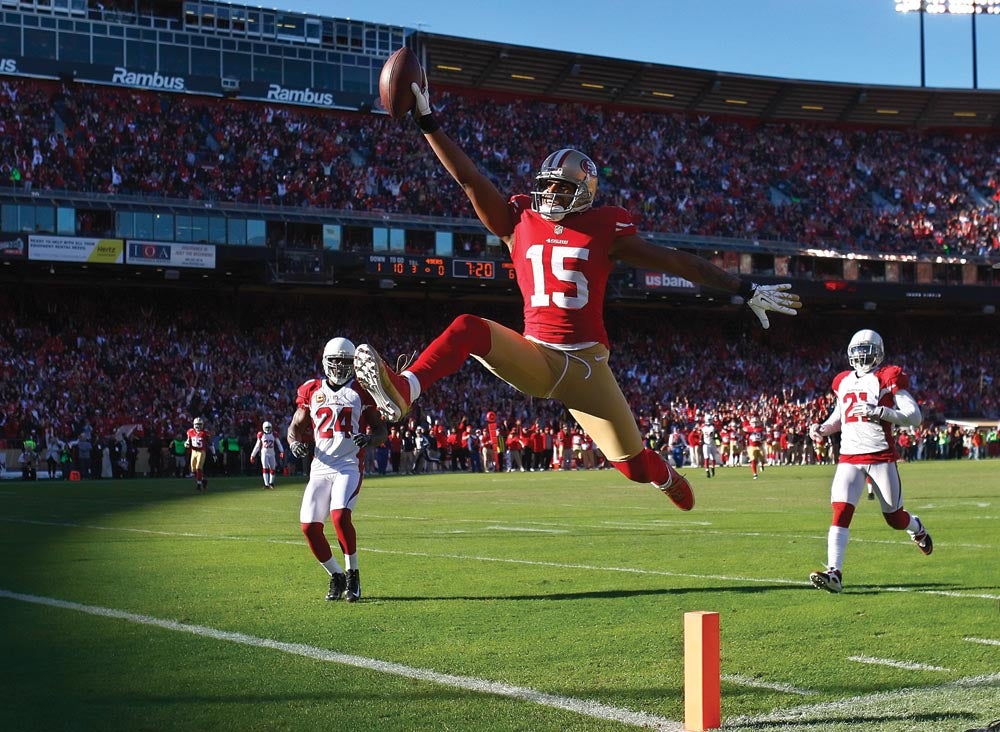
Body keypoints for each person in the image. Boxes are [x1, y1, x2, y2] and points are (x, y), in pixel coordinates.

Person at [353, 83, 800, 510]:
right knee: (469, 326)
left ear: (584, 192)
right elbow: (468, 179)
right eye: (545, 185)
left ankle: (663, 474)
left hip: (586, 367)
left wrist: (745, 289)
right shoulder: (518, 220)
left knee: (633, 467)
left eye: (560, 188)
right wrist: (429, 121)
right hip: (537, 355)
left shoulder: (606, 227)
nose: (548, 194)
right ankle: (406, 386)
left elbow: (676, 262)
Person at [808, 329, 931, 594]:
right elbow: (839, 416)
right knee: (840, 511)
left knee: (895, 518)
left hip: (880, 456)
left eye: (868, 349)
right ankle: (834, 573)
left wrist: (881, 412)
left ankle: (917, 527)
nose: (863, 355)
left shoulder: (887, 376)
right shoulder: (842, 380)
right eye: (858, 350)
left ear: (879, 352)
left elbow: (914, 416)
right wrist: (822, 428)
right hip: (849, 457)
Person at [286, 337, 388, 603]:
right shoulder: (311, 390)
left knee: (340, 516)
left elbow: (380, 430)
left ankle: (353, 573)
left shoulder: (362, 392)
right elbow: (295, 427)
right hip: (320, 467)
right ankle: (336, 574)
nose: (340, 367)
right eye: (336, 361)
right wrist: (294, 443)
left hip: (348, 464)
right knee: (309, 527)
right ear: (325, 361)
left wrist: (370, 439)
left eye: (346, 362)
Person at [250, 421, 285, 490]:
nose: (268, 429)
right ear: (263, 428)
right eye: (267, 428)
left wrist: (282, 451)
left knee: (273, 468)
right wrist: (252, 455)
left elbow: (278, 443)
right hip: (264, 454)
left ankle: (271, 483)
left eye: (269, 428)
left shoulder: (274, 434)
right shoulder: (261, 435)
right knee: (265, 468)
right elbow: (257, 446)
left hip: (272, 454)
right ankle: (266, 484)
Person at [185, 417, 216, 492]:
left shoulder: (205, 433)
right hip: (193, 451)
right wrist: (186, 444)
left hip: (201, 451)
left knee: (199, 467)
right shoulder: (190, 432)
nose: (198, 426)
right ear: (194, 424)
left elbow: (210, 444)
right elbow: (188, 441)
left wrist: (214, 453)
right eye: (197, 424)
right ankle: (203, 480)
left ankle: (199, 485)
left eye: (200, 424)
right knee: (193, 470)